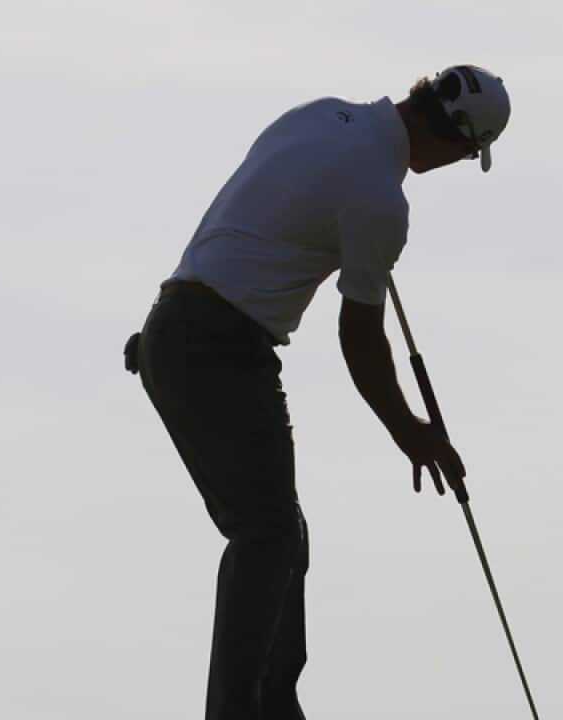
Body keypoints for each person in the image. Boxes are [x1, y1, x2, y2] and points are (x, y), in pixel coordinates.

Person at [124, 64, 512, 720]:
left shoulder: (321, 115)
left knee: (282, 535)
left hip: (172, 328)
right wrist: (411, 431)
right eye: (469, 154)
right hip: (218, 349)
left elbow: (239, 218)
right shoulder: (381, 201)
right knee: (269, 535)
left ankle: (274, 704)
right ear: (457, 140)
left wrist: (169, 337)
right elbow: (359, 337)